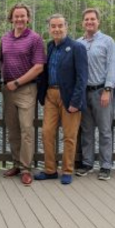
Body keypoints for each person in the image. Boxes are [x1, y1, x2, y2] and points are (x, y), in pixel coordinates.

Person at [35, 13, 88, 185]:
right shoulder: (50, 46)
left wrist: (75, 102)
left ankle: (67, 170)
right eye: (53, 26)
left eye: (60, 26)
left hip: (69, 97)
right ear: (49, 28)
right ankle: (50, 170)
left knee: (69, 136)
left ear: (66, 27)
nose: (57, 29)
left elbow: (82, 77)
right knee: (47, 132)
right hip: (50, 95)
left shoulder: (77, 47)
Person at [0, 3, 46, 185]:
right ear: (11, 18)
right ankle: (17, 164)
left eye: (22, 16)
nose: (19, 19)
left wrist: (18, 82)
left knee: (26, 129)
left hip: (26, 89)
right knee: (13, 129)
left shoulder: (35, 39)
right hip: (7, 90)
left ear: (28, 18)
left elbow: (38, 67)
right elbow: (1, 63)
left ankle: (27, 169)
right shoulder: (5, 38)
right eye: (16, 16)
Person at [76, 8, 115, 181]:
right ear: (82, 22)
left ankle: (105, 165)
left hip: (101, 91)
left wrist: (108, 89)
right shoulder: (78, 43)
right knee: (86, 130)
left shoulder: (108, 41)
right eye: (86, 19)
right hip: (84, 92)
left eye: (92, 19)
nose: (89, 22)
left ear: (98, 21)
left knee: (105, 130)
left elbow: (113, 66)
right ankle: (87, 163)